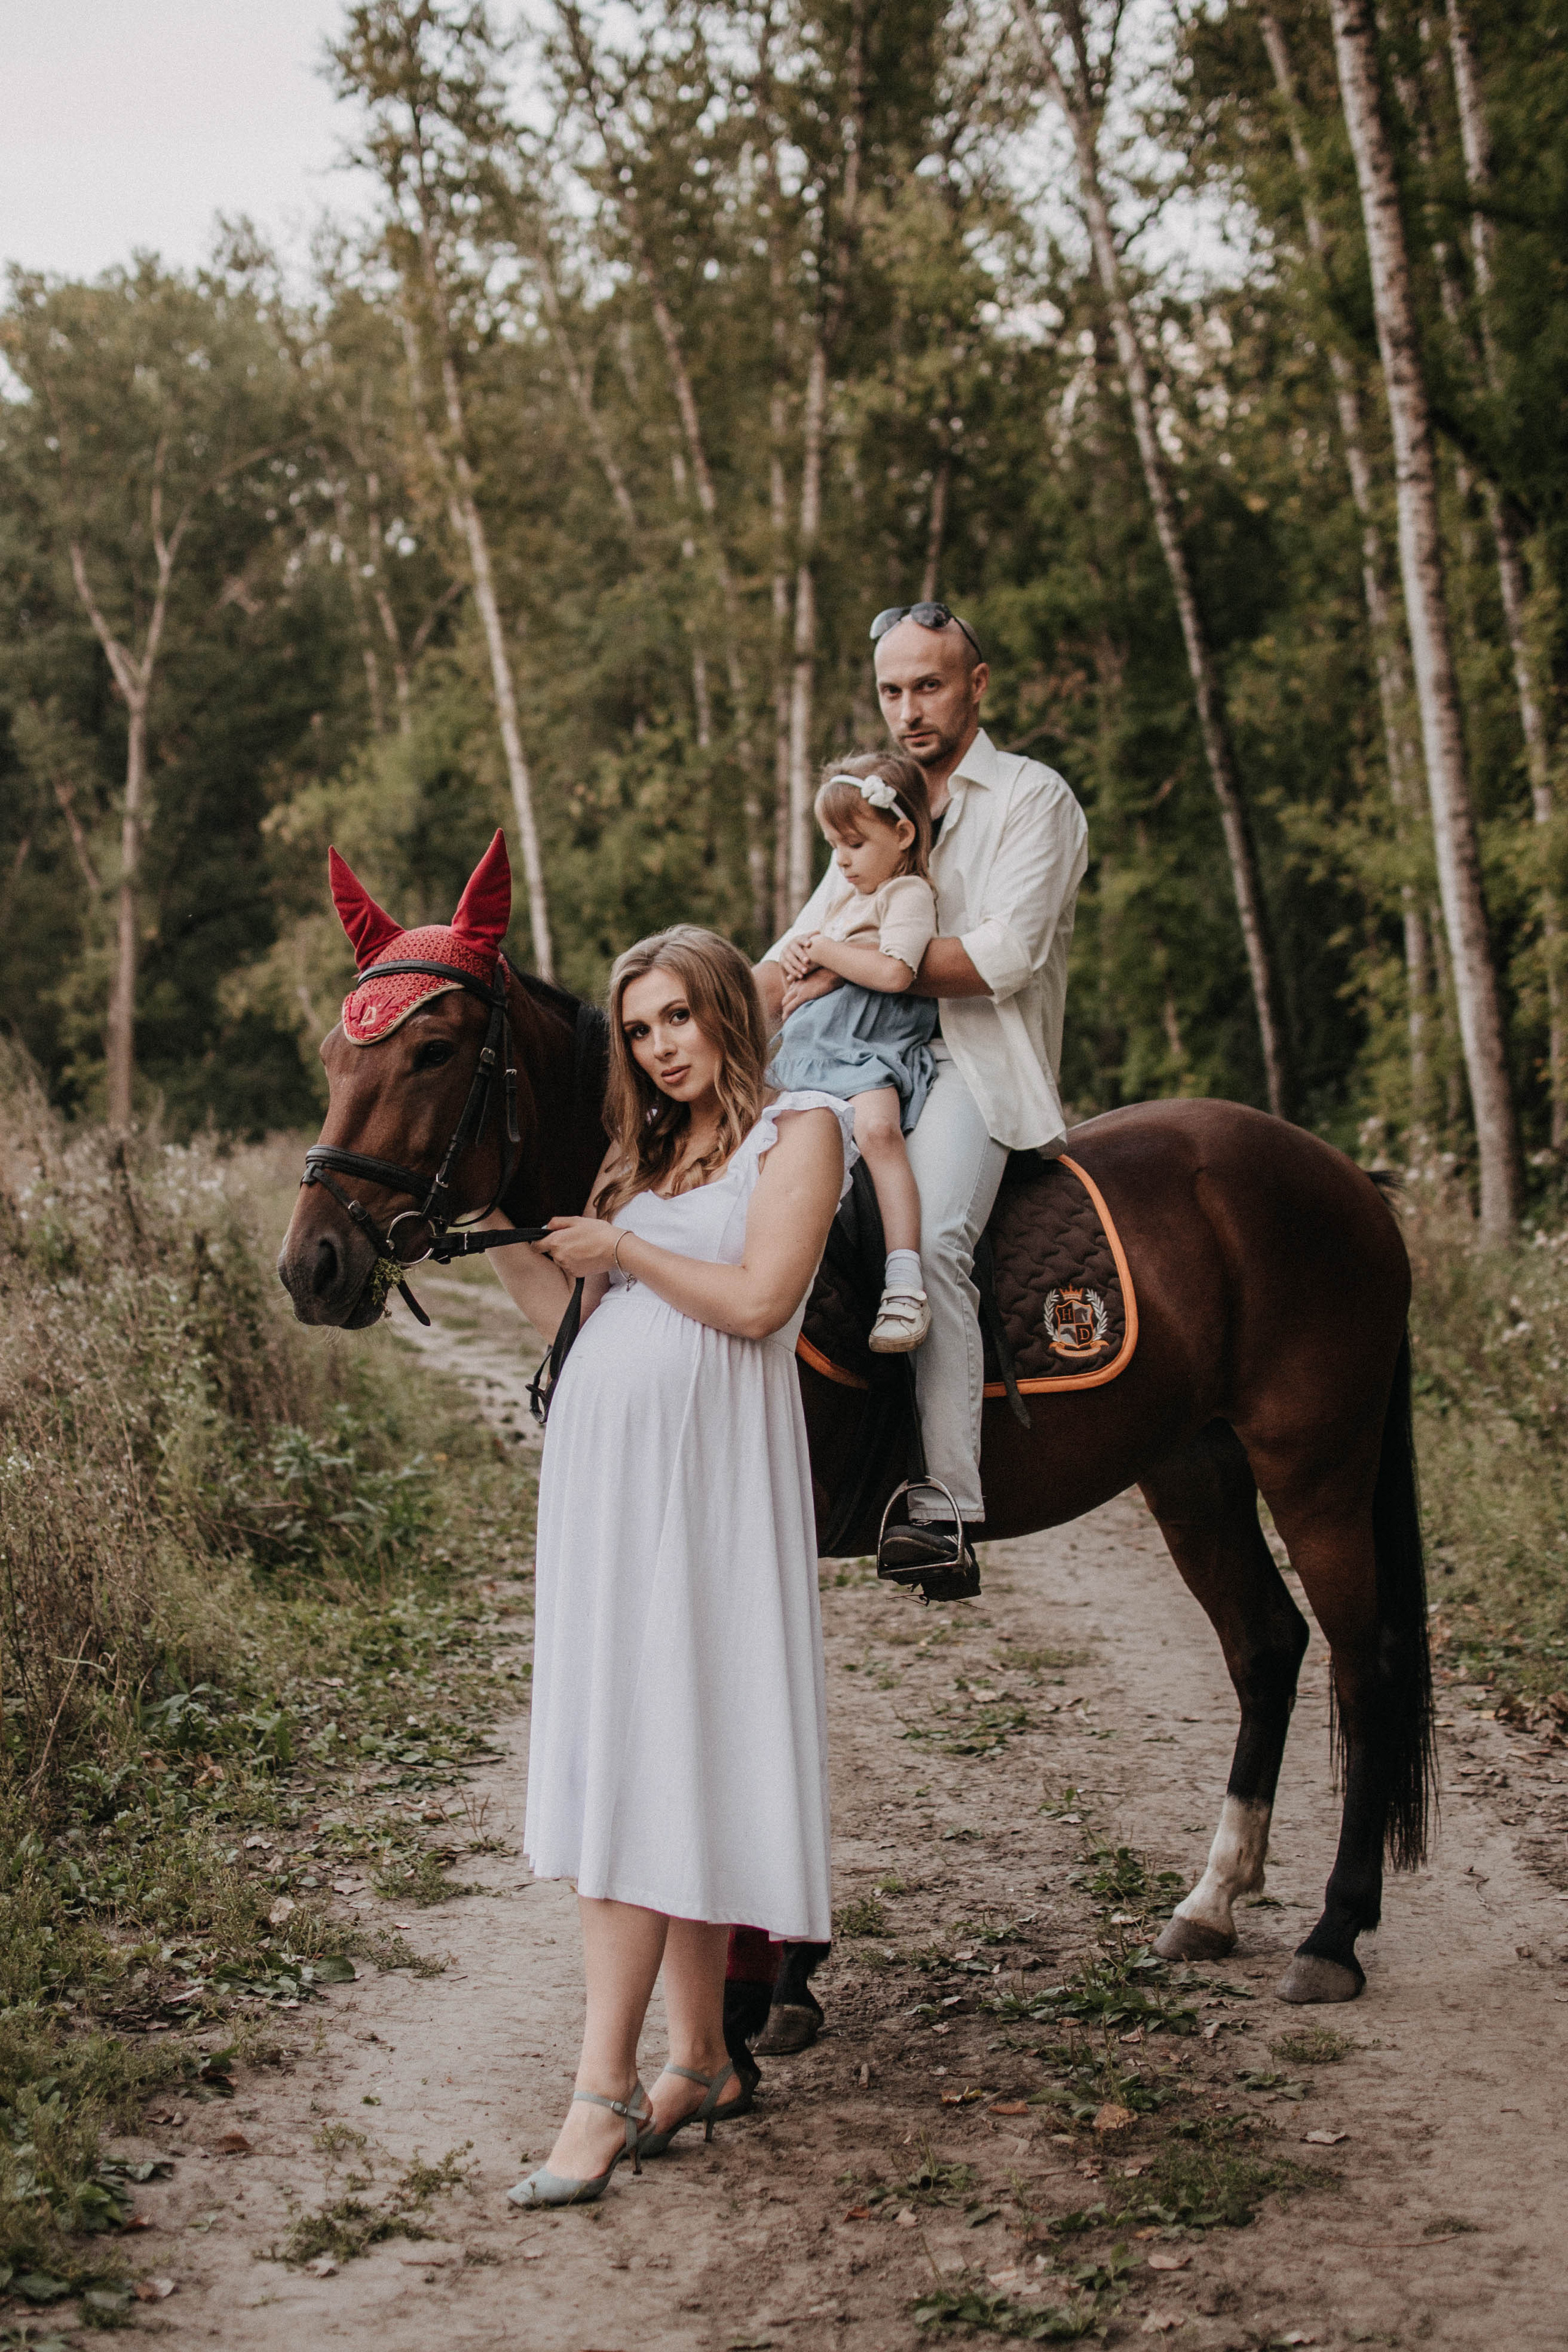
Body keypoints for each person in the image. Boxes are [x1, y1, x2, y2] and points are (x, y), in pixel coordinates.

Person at [478, 926, 854, 2207]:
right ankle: (696, 2058)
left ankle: (598, 2094)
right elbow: (577, 1331)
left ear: (725, 1016)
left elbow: (757, 1302)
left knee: (639, 1775)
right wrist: (518, 1237)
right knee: (655, 1759)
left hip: (703, 1492)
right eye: (639, 1030)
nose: (659, 1046)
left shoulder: (797, 1132)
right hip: (606, 1493)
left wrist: (624, 1250)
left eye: (678, 1018)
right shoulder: (634, 1161)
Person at [756, 602, 1088, 1587]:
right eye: (893, 690)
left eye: (930, 686)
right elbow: (805, 937)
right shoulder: (875, 804)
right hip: (856, 1057)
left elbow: (1005, 958)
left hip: (971, 1065)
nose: (910, 708)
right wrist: (709, 1001)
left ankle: (945, 1501)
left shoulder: (1035, 799)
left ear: (976, 686)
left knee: (935, 1231)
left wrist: (848, 964)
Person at [771, 750, 938, 1352]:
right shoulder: (845, 896)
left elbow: (895, 972)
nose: (840, 860)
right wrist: (800, 955)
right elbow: (828, 958)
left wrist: (822, 952)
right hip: (817, 1041)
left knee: (878, 1133)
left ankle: (903, 1281)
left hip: (868, 1044)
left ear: (901, 833)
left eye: (854, 844)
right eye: (832, 845)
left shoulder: (907, 892)